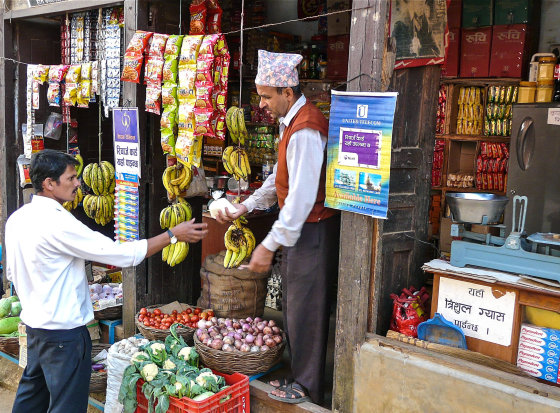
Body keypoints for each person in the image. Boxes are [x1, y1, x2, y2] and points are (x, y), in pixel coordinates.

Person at [5, 150, 208, 413]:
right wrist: (172, 234)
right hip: (64, 336)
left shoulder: (17, 219)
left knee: (31, 400)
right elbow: (122, 254)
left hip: (35, 330)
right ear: (49, 183)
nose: (78, 183)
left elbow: (11, 274)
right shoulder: (58, 222)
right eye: (71, 177)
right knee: (66, 405)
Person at [216, 50, 340, 405]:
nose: (264, 104)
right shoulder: (292, 124)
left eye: (268, 96)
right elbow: (277, 178)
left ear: (288, 92)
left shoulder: (305, 128)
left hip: (313, 229)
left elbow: (300, 198)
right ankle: (302, 378)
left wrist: (270, 244)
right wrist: (247, 204)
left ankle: (309, 388)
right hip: (303, 230)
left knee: (308, 309)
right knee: (297, 306)